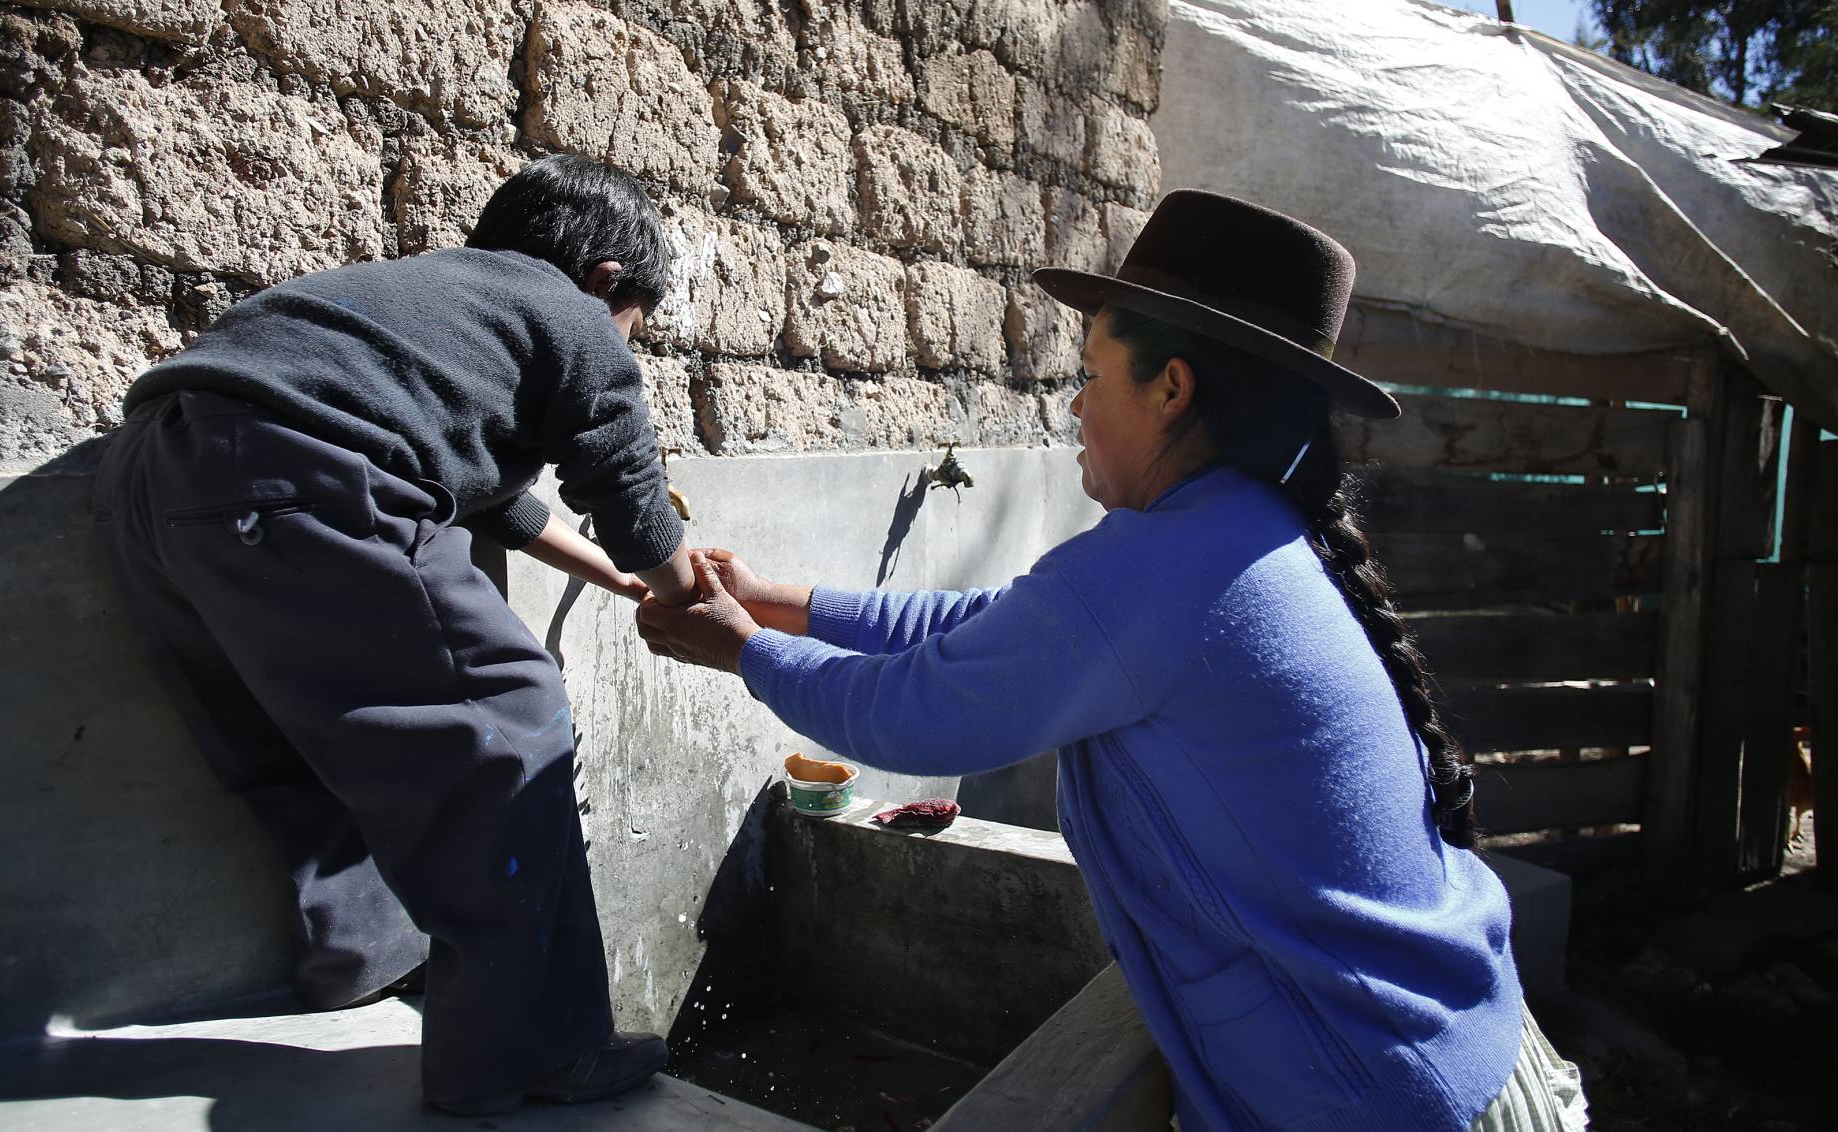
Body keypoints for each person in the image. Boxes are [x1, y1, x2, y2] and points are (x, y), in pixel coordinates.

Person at [634, 191, 1589, 1131]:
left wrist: (744, 651)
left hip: (1369, 1095)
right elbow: (987, 624)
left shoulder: (1166, 567)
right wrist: (778, 603)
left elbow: (914, 714)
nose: (1076, 404)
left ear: (1171, 388)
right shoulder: (1243, 536)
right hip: (1457, 1052)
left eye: (1091, 371)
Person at [92, 155, 696, 1115]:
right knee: (509, 724)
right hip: (306, 473)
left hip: (152, 473)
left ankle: (364, 958)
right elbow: (621, 479)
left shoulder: (429, 309)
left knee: (290, 736)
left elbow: (495, 500)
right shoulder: (571, 313)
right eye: (633, 328)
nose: (623, 344)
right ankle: (529, 1052)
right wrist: (688, 594)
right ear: (608, 282)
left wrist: (617, 579)